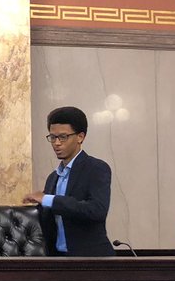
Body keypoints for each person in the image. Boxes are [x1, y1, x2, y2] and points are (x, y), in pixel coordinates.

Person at [24, 105, 114, 257]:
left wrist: (48, 199)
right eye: (52, 137)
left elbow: (96, 210)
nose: (57, 143)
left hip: (92, 261)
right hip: (58, 260)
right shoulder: (53, 177)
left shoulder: (96, 168)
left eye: (63, 137)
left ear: (80, 137)